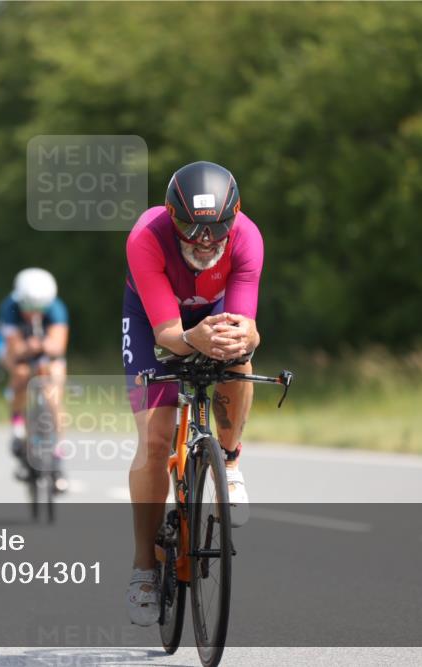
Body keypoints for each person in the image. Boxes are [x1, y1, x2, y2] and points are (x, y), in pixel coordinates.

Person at [123, 161, 263, 625]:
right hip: (153, 320)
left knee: (238, 357)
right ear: (171, 218)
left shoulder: (247, 238)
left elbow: (246, 325)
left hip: (214, 311)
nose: (205, 241)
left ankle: (230, 461)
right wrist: (191, 338)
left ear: (234, 218)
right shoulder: (146, 236)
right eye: (191, 229)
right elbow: (167, 334)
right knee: (156, 438)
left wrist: (246, 338)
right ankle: (144, 567)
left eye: (217, 229)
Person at [0, 268, 69, 490]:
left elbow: (58, 346)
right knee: (19, 374)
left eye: (40, 308)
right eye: (28, 307)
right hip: (17, 350)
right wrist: (28, 348)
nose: (33, 313)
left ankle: (57, 450)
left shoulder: (56, 308)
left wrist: (44, 345)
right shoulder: (9, 307)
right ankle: (17, 426)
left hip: (45, 352)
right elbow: (13, 350)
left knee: (54, 386)